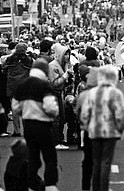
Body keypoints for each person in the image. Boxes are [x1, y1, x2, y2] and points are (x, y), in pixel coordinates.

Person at [12, 59, 59, 190]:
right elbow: (50, 107)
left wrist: (25, 112)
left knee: (33, 156)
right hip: (43, 125)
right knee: (49, 156)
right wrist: (53, 113)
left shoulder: (22, 85)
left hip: (28, 124)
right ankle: (50, 184)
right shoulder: (44, 86)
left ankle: (32, 185)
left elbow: (15, 107)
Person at [80, 65, 124, 191]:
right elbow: (120, 114)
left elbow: (85, 113)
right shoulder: (115, 93)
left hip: (94, 131)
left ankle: (95, 188)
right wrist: (121, 129)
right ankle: (104, 188)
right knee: (106, 162)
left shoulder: (92, 93)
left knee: (96, 162)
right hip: (110, 132)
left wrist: (87, 126)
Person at [2, 43, 34, 137]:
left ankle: (17, 130)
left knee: (15, 110)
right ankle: (27, 130)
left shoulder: (9, 59)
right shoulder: (29, 60)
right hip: (25, 88)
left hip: (12, 88)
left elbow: (4, 69)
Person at [49, 43, 73, 150]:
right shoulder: (53, 65)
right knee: (56, 118)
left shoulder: (64, 65)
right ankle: (55, 141)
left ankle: (59, 139)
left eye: (68, 54)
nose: (67, 57)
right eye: (65, 54)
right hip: (53, 93)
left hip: (60, 93)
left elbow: (63, 83)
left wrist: (70, 79)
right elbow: (54, 83)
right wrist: (65, 76)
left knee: (62, 118)